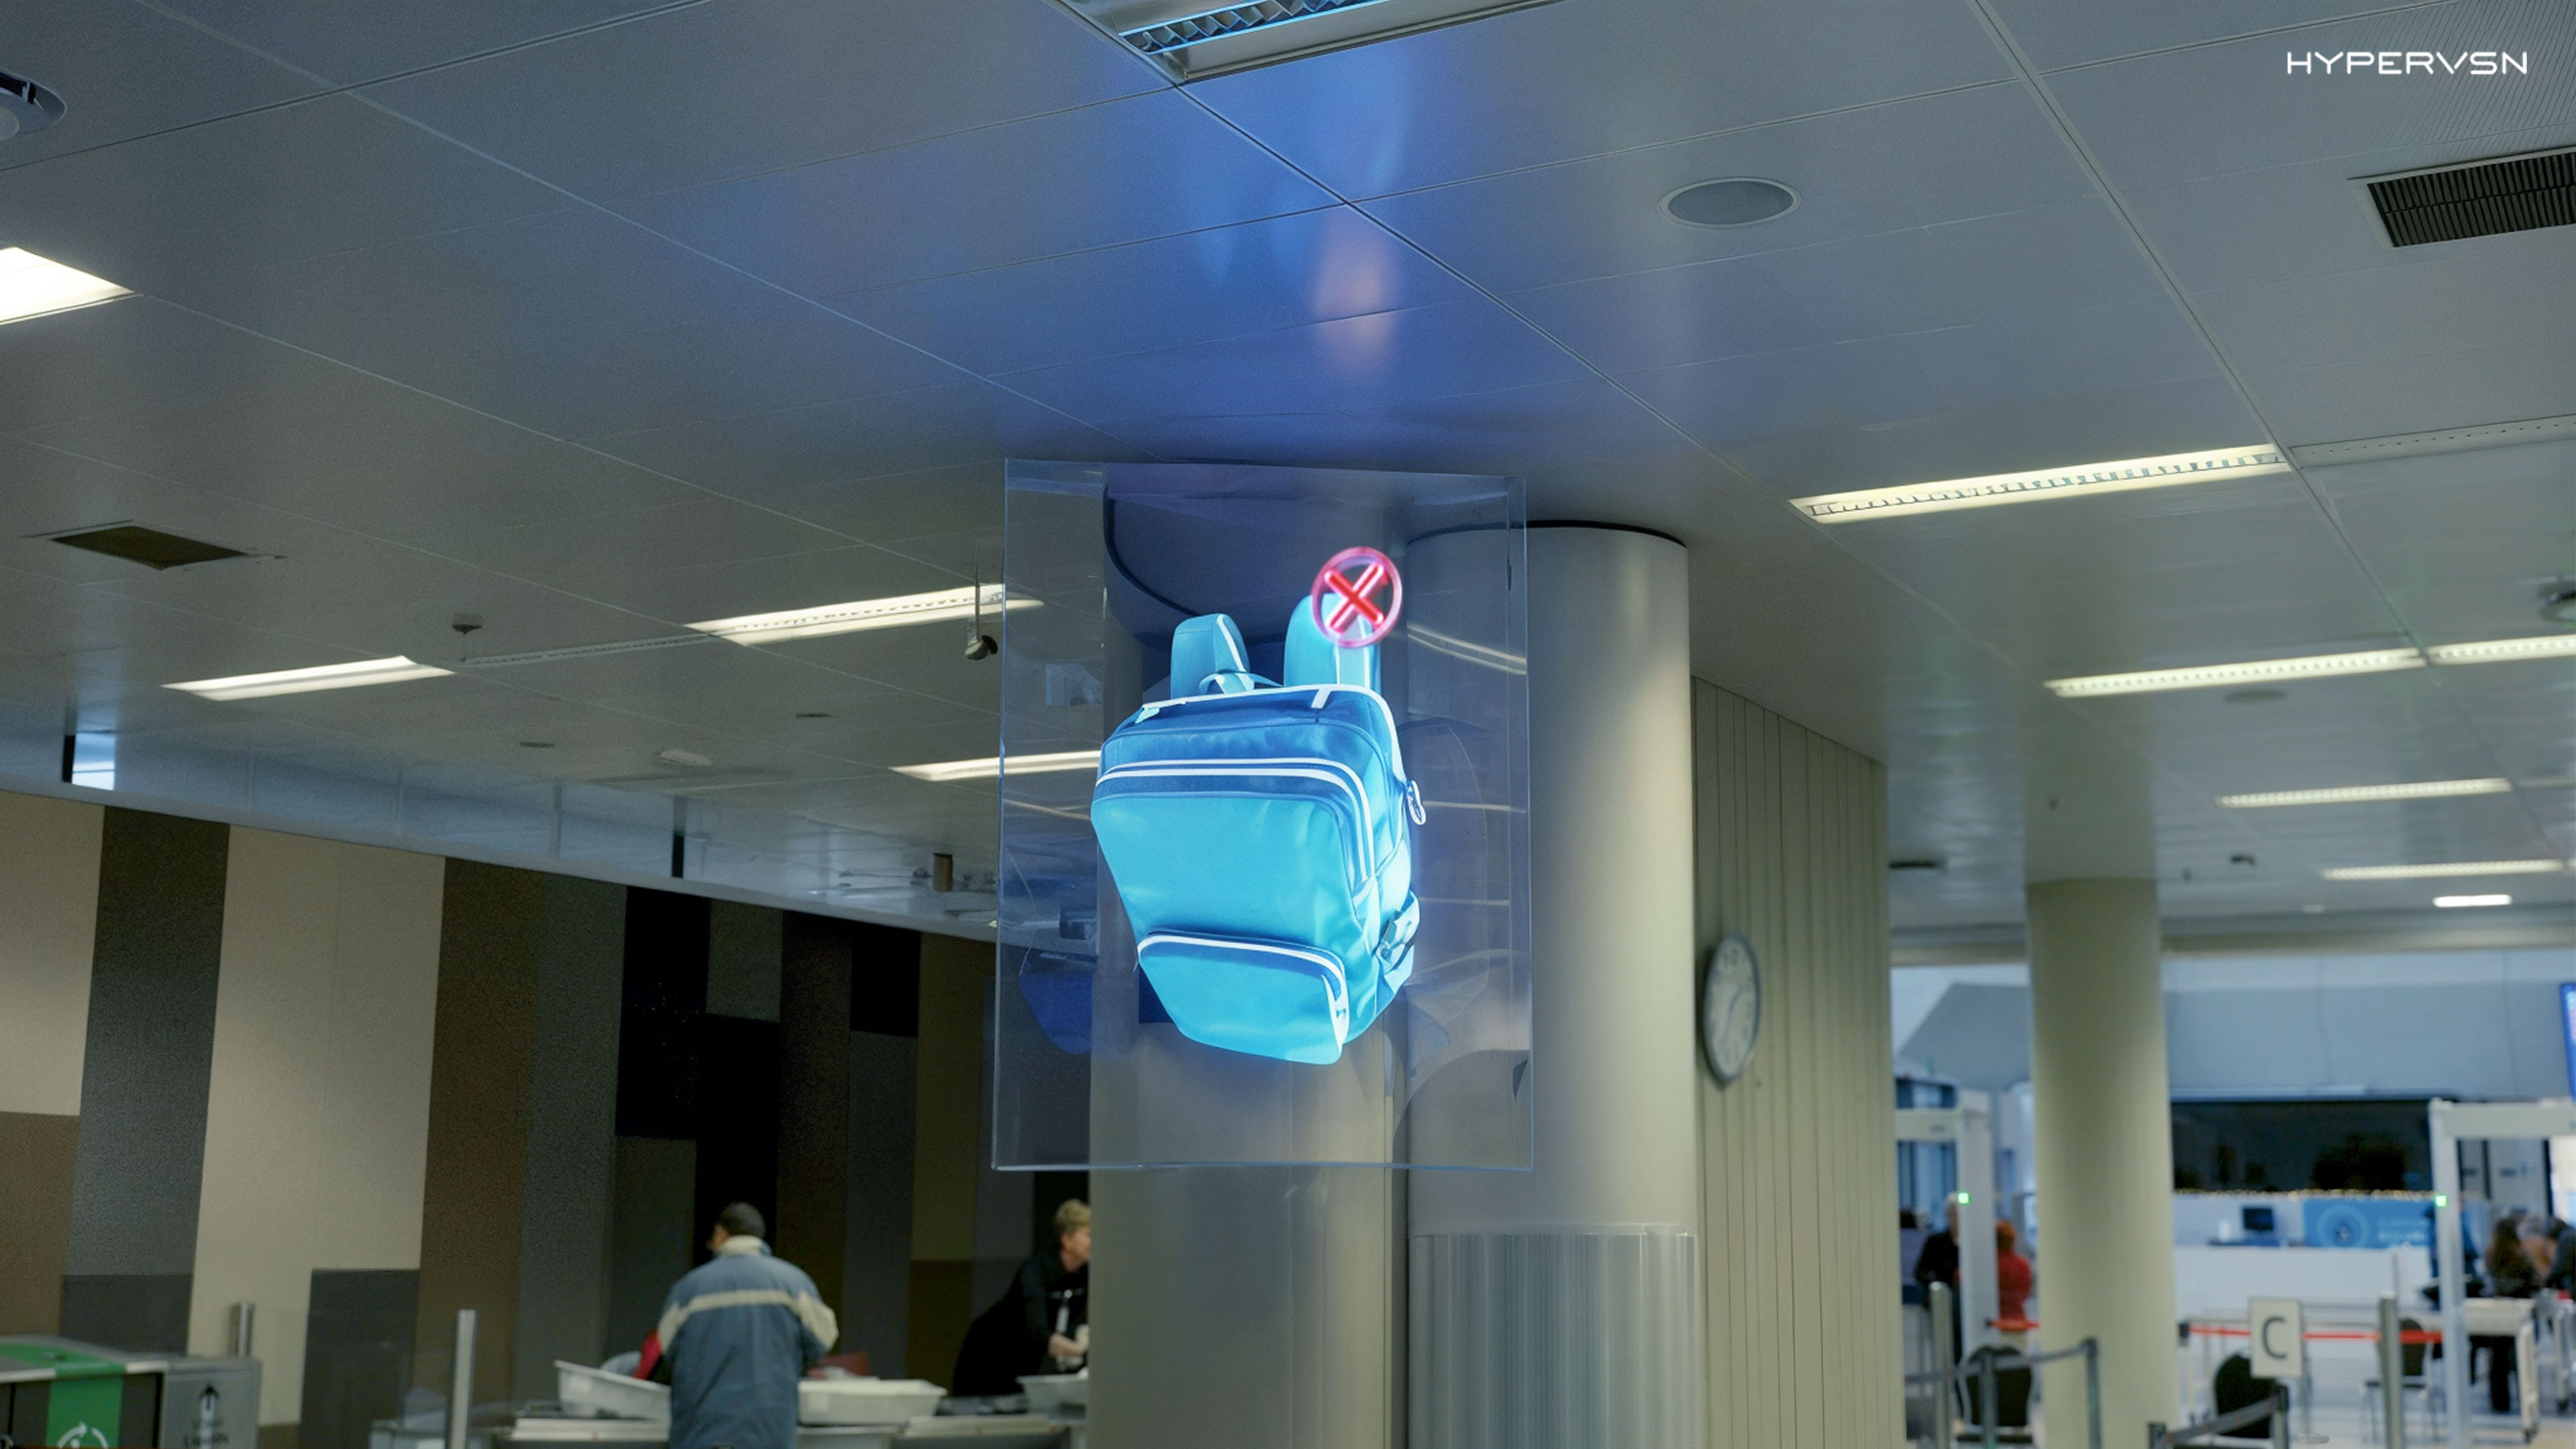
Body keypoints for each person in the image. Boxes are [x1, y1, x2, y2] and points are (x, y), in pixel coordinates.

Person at [637, 1203, 839, 1449]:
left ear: (721, 1234)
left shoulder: (688, 1289)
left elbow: (664, 1352)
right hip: (769, 1433)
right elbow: (824, 1340)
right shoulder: (795, 1284)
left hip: (701, 1433)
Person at [951, 1199, 1092, 1397]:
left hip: (1027, 1361)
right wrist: (1084, 1352)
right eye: (1089, 1235)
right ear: (1067, 1240)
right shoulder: (1035, 1272)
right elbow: (1037, 1333)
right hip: (991, 1353)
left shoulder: (1085, 1275)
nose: (1095, 1242)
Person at [2476, 1213, 2540, 1413]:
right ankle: (2526, 1398)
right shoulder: (2520, 1257)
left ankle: (2499, 1403)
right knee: (2522, 1357)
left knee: (2497, 1360)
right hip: (2519, 1312)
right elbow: (2535, 1282)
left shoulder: (2491, 1255)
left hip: (2497, 1312)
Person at [1994, 1219, 2034, 1338]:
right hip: (2018, 1323)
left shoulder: (1991, 1266)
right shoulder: (2023, 1265)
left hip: (1996, 1325)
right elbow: (2025, 1293)